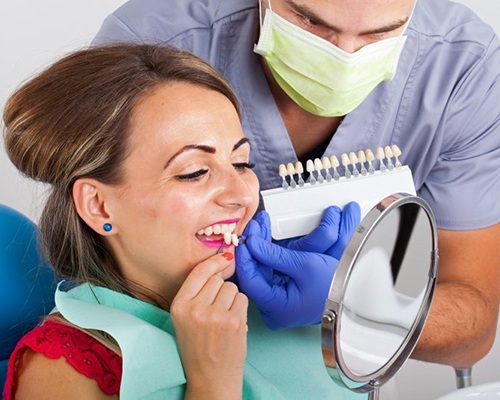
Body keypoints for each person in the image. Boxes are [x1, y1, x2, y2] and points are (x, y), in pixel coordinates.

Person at [92, 0, 500, 369]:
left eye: (379, 34)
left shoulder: (463, 68)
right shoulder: (151, 44)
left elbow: (474, 329)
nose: (345, 57)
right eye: (310, 21)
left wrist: (357, 304)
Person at [2, 43, 362, 399]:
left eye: (241, 163)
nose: (241, 194)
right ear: (98, 206)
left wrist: (349, 317)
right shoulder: (60, 371)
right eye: (194, 172)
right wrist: (212, 380)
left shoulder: (271, 302)